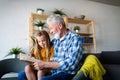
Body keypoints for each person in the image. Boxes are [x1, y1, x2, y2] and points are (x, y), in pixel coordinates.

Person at [32, 14, 83, 80]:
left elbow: (72, 64)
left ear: (60, 26)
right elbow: (43, 47)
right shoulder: (55, 40)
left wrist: (45, 64)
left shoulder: (74, 38)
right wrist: (31, 54)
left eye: (51, 28)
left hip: (67, 73)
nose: (50, 32)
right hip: (54, 71)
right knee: (22, 74)